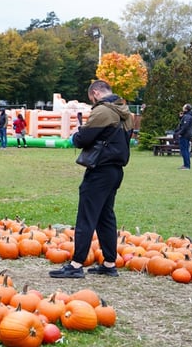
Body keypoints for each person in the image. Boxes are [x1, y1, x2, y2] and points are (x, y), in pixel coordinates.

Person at [49, 80, 133, 279]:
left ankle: (76, 265)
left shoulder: (103, 111)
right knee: (105, 217)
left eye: (91, 98)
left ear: (95, 92)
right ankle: (110, 263)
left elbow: (83, 139)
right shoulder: (125, 112)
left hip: (100, 170)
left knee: (86, 216)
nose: (92, 101)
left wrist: (75, 136)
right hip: (115, 170)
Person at [173, 103, 192, 170]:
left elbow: (185, 127)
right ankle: (186, 164)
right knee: (186, 150)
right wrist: (181, 118)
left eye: (184, 107)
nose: (182, 107)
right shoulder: (188, 116)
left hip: (184, 135)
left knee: (184, 150)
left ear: (186, 108)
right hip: (187, 135)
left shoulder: (187, 116)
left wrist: (179, 133)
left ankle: (186, 166)